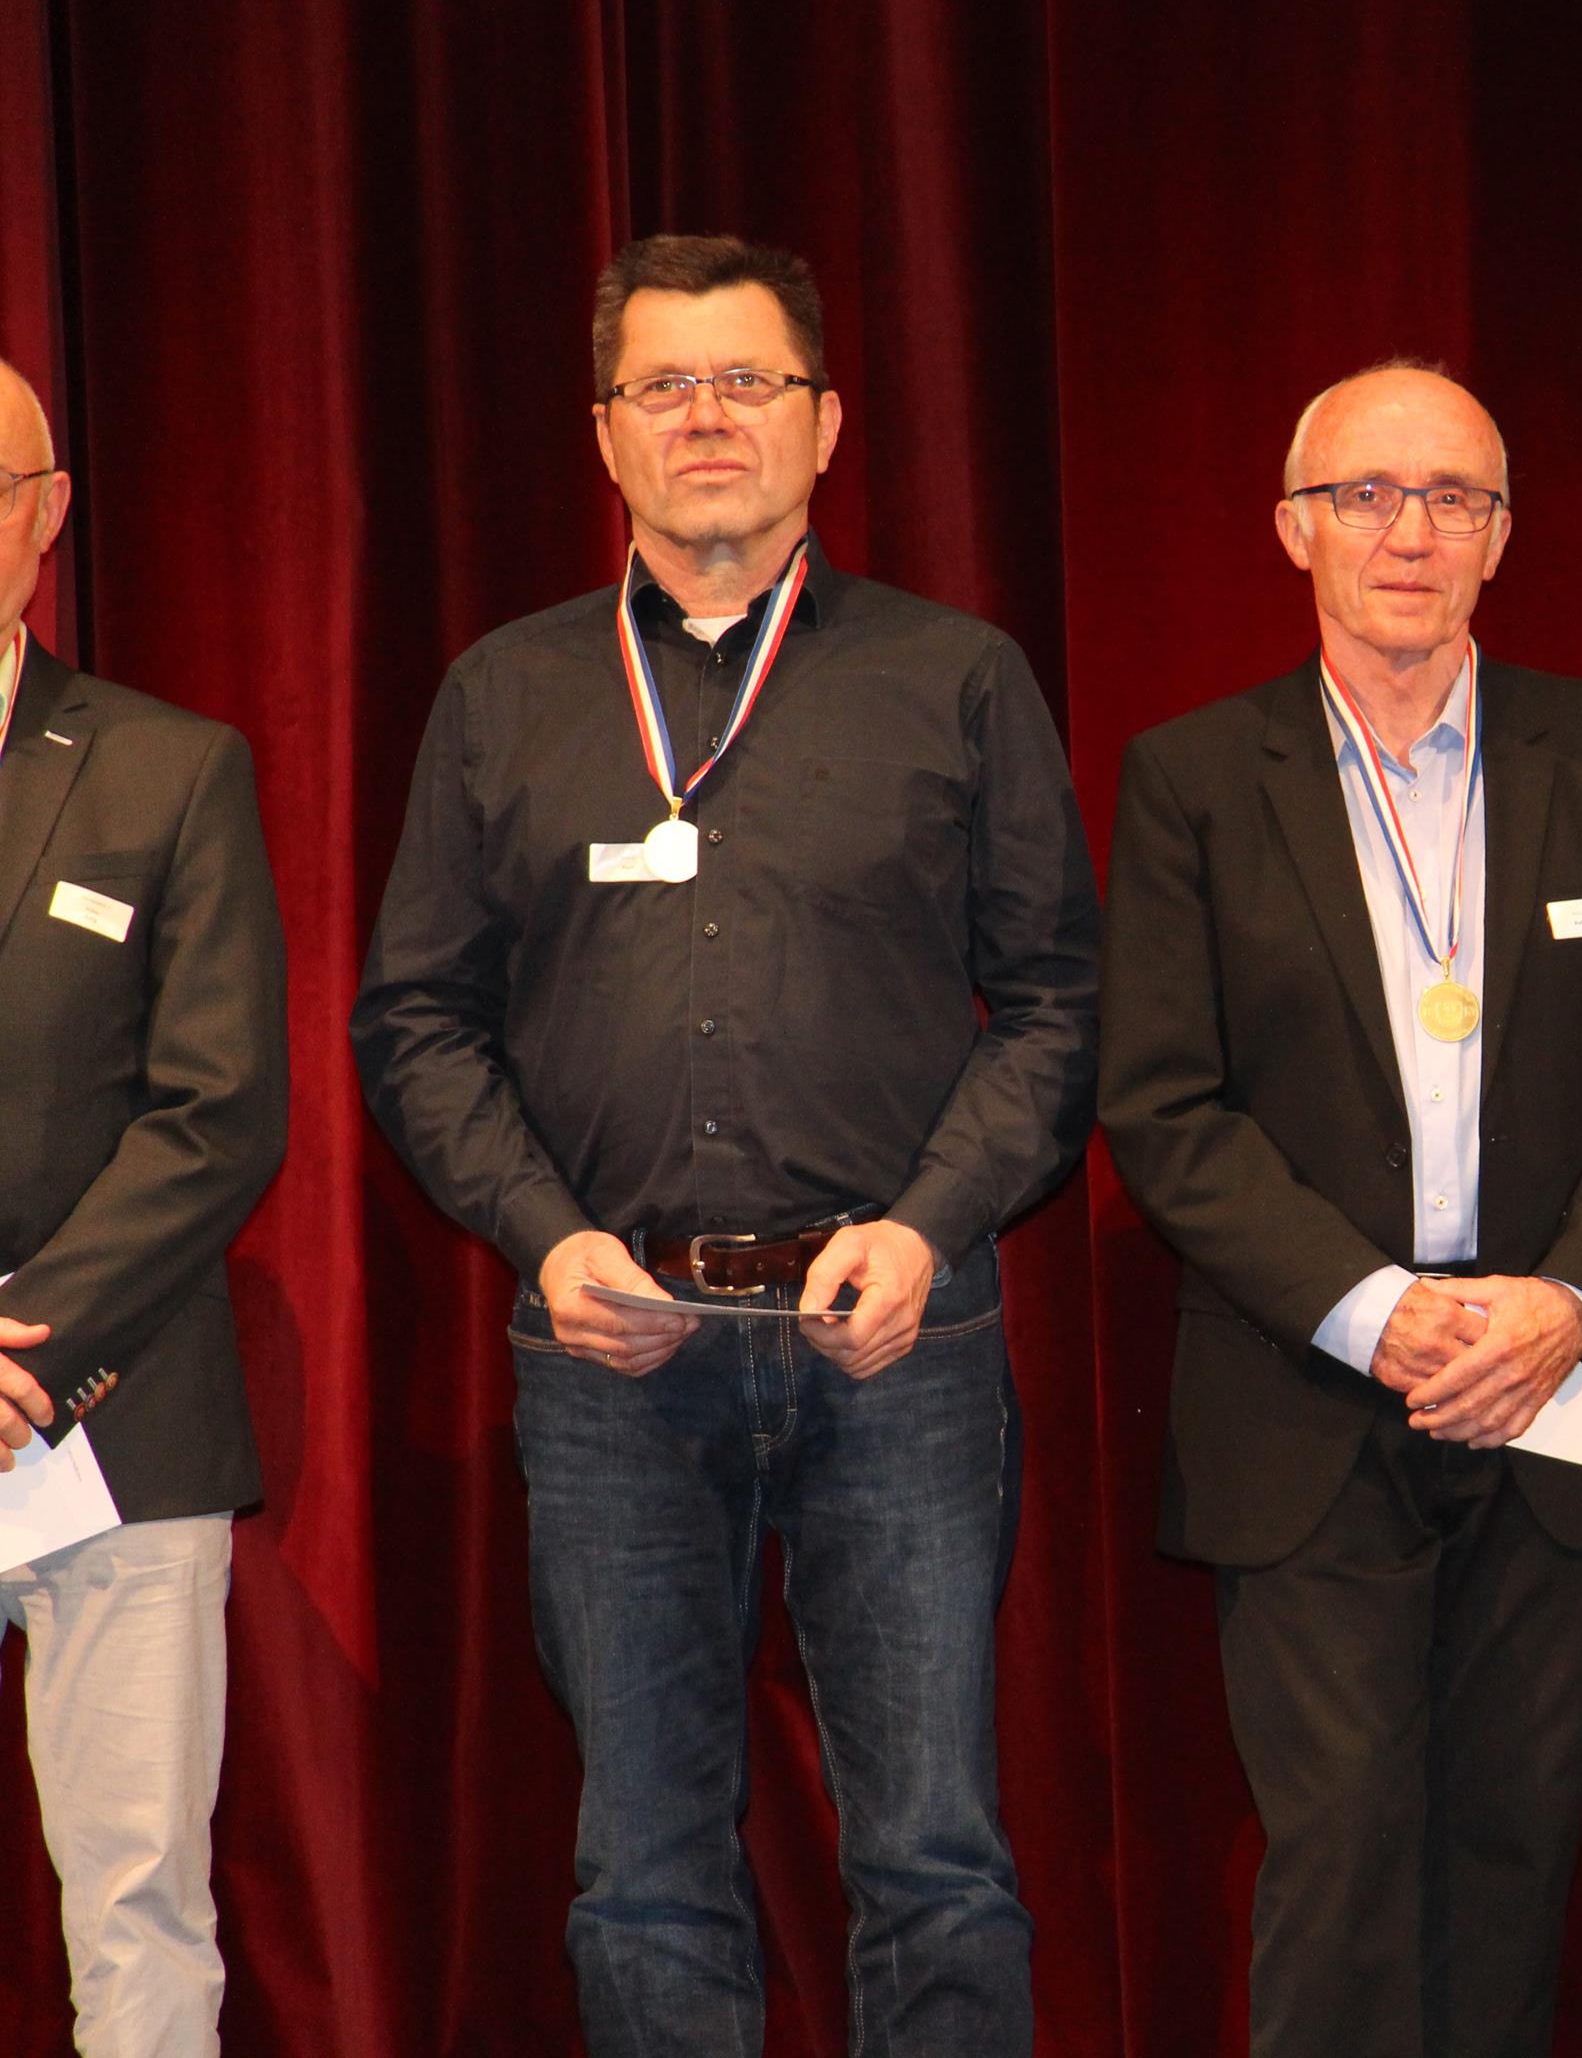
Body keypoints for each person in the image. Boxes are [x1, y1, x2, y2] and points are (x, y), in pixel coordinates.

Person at [350, 235, 1096, 2056]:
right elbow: (416, 1021)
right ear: (605, 433)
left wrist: (928, 1228)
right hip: (612, 1347)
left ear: (826, 425)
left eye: (748, 381)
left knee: (934, 1859)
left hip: (895, 1338)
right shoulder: (504, 693)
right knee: (644, 1870)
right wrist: (545, 1238)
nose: (707, 418)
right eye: (665, 385)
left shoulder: (958, 677)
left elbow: (1058, 1011)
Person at [1097, 360, 1582, 2058]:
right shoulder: (1193, 777)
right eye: (1368, 496)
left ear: (1502, 538)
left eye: (1454, 498)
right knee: (1343, 1869)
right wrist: (1383, 1315)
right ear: (1293, 528)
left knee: (1513, 1872)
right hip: (1309, 1393)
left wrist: (1559, 1309)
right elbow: (1163, 1106)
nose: (1411, 532)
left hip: (1555, 1392)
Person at [0, 355, 289, 2054]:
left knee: (136, 1906)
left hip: (110, 1424)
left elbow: (218, 1109)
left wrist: (27, 1352)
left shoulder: (168, 769)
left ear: (44, 517)